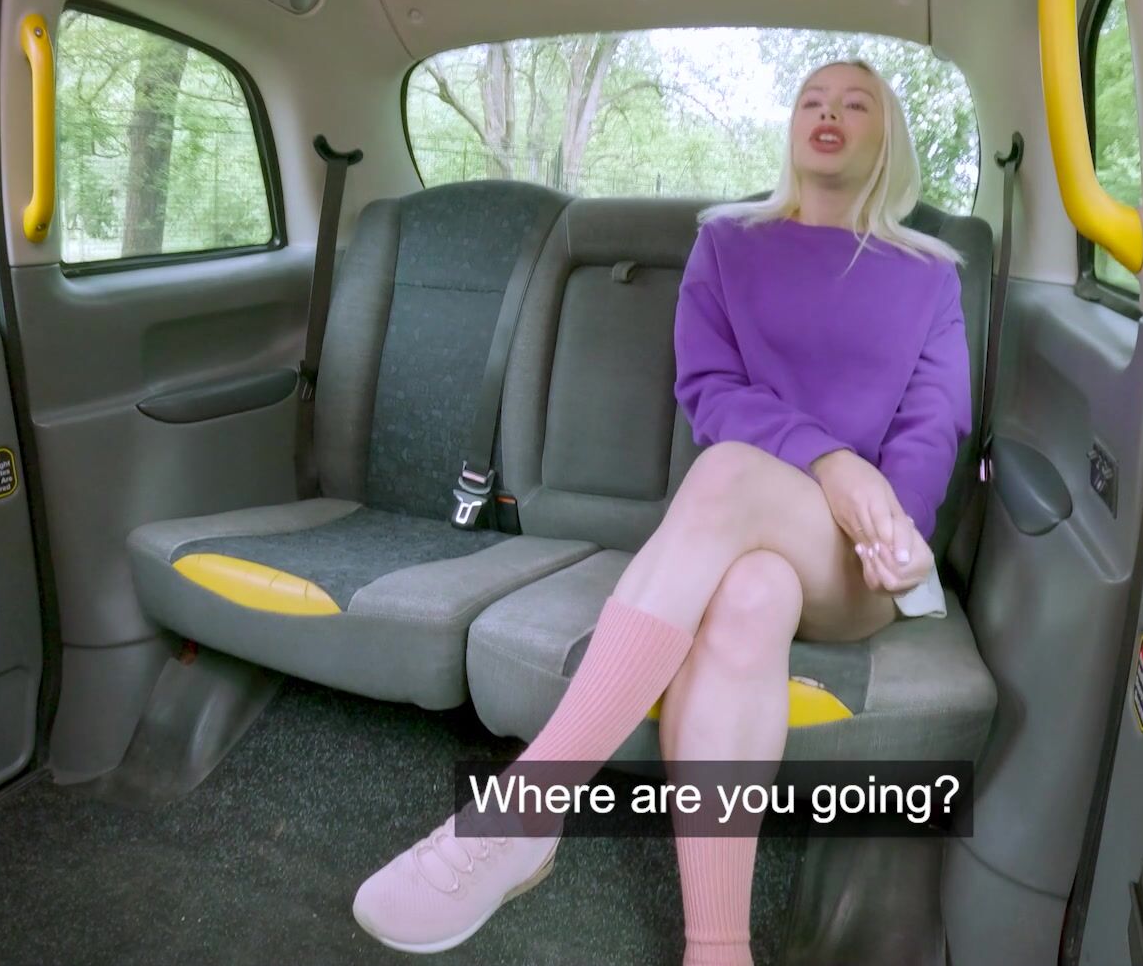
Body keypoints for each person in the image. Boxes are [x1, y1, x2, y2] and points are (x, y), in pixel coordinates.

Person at [353, 59, 972, 964]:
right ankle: (718, 948)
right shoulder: (727, 244)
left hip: (857, 559)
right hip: (752, 539)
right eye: (811, 99)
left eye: (856, 103)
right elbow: (710, 389)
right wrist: (831, 460)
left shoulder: (929, 276)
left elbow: (933, 424)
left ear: (889, 136)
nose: (829, 113)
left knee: (725, 477)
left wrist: (893, 523)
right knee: (752, 593)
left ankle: (528, 808)